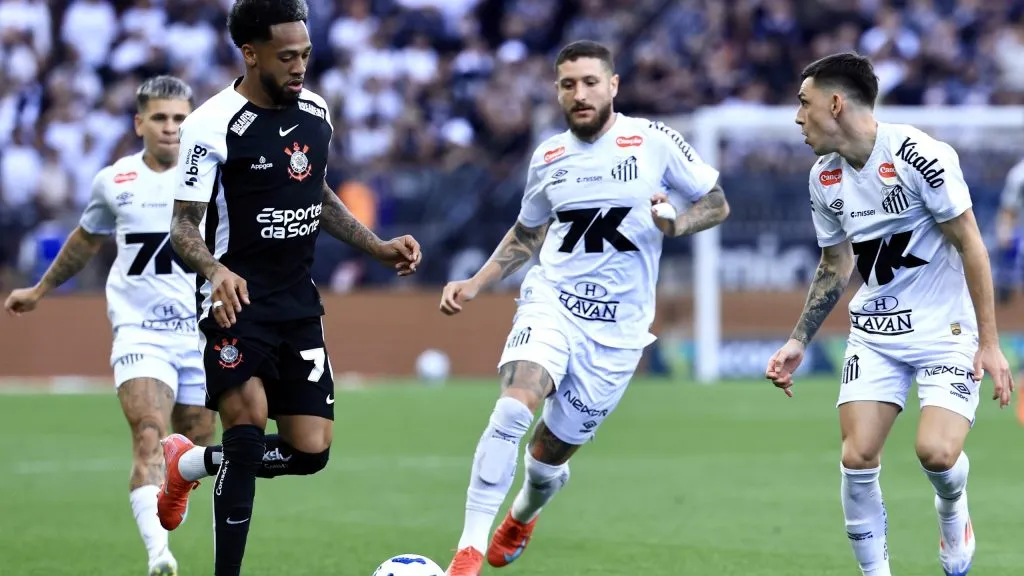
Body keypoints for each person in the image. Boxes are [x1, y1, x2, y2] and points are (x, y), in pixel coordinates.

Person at [438, 40, 731, 576]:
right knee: (512, 407)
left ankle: (524, 511)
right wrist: (478, 281)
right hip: (552, 303)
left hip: (618, 332)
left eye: (590, 82)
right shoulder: (548, 156)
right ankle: (469, 550)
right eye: (568, 84)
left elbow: (716, 202)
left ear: (613, 85)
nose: (580, 94)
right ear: (557, 91)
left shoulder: (654, 141)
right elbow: (527, 234)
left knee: (548, 456)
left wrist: (677, 224)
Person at [157, 1, 421, 575]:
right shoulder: (210, 124)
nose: (300, 65)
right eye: (287, 56)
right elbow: (182, 225)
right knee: (248, 431)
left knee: (310, 451)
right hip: (236, 302)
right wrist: (214, 271)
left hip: (298, 303)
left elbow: (317, 195)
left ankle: (189, 465)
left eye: (305, 53)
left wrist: (374, 245)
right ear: (250, 54)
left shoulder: (317, 111)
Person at [765, 52, 1014, 576]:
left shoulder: (919, 154)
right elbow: (836, 263)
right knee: (857, 459)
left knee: (937, 455)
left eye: (803, 104)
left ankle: (953, 510)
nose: (797, 118)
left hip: (945, 332)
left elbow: (971, 243)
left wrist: (989, 342)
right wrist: (798, 339)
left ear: (835, 103)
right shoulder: (823, 178)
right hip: (875, 334)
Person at [3, 75, 216, 576]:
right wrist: (38, 290)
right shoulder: (115, 181)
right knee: (148, 432)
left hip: (200, 334)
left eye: (180, 118)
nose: (170, 128)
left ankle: (172, 496)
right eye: (159, 118)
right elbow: (83, 241)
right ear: (139, 123)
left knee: (197, 441)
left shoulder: (213, 179)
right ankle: (158, 556)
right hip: (140, 332)